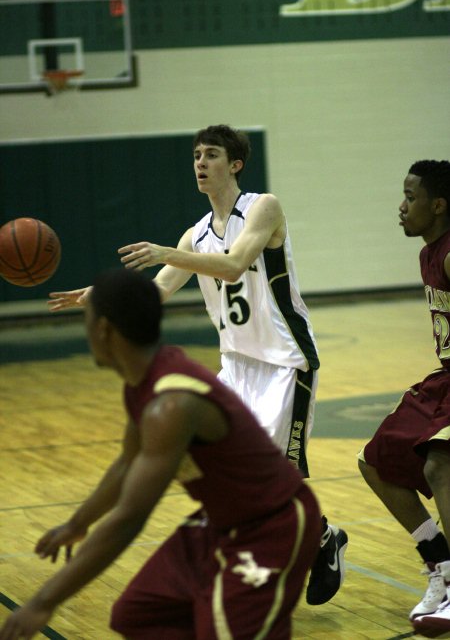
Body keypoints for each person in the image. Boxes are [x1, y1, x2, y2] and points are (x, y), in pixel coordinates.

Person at [48, 124, 348, 606]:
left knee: (277, 476)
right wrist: (97, 296)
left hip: (286, 362)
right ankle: (317, 537)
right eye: (195, 156)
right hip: (235, 364)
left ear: (235, 164)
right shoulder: (197, 233)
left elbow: (233, 264)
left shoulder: (263, 207)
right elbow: (157, 290)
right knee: (229, 471)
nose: (200, 163)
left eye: (211, 155)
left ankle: (304, 549)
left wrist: (168, 252)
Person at [0, 268, 322, 640]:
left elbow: (129, 519)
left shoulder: (170, 405)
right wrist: (78, 524)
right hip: (219, 522)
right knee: (138, 614)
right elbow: (127, 463)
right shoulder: (147, 377)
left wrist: (43, 601)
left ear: (103, 330)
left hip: (272, 526)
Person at [357, 160, 450, 636]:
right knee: (374, 461)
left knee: (441, 463)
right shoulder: (428, 253)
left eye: (410, 197)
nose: (401, 206)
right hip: (447, 378)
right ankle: (441, 565)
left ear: (437, 205)